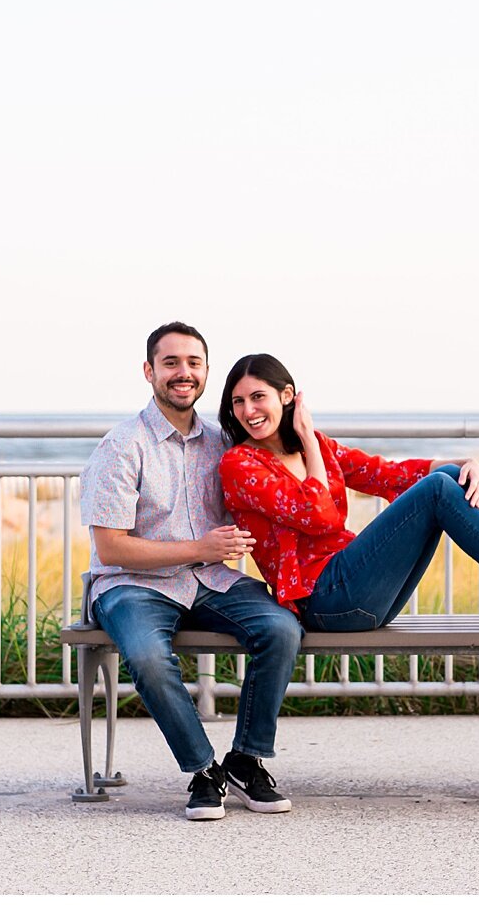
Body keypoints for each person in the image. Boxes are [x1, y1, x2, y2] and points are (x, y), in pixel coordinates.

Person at [80, 323, 302, 822]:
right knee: (148, 657)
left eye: (194, 363)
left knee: (282, 629)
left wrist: (301, 423)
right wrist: (199, 547)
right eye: (171, 363)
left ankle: (245, 759)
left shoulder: (223, 440)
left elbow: (293, 460)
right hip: (132, 585)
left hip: (211, 581)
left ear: (205, 372)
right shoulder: (122, 445)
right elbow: (111, 548)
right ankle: (204, 772)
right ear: (149, 371)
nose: (184, 373)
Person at [216, 353, 479, 631]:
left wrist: (462, 465)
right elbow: (319, 514)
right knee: (439, 488)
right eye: (238, 402)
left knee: (448, 478)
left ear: (287, 396)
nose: (249, 411)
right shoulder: (240, 465)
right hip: (322, 601)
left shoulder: (317, 446)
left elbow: (385, 475)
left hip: (363, 596)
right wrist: (306, 435)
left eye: (257, 397)